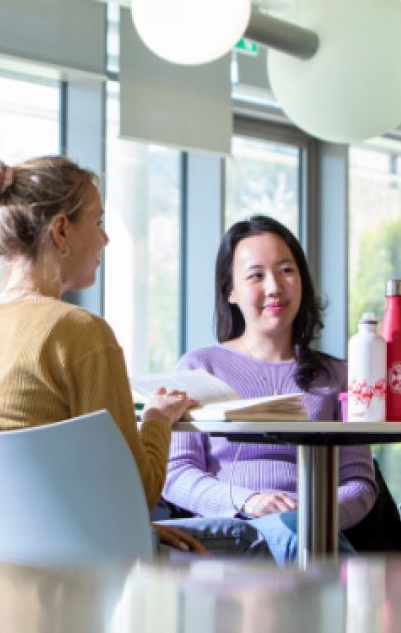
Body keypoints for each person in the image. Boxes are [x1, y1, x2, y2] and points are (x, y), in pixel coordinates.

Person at [0, 155, 266, 558]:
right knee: (266, 538)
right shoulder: (81, 334)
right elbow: (136, 492)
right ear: (61, 230)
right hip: (78, 574)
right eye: (99, 222)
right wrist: (158, 418)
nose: (105, 239)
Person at [159, 216, 378, 564]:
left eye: (286, 270)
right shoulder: (201, 367)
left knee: (302, 539)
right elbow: (175, 473)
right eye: (256, 275)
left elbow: (360, 485)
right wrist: (249, 501)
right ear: (230, 291)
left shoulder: (337, 375)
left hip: (311, 530)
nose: (274, 287)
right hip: (232, 528)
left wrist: (310, 516)